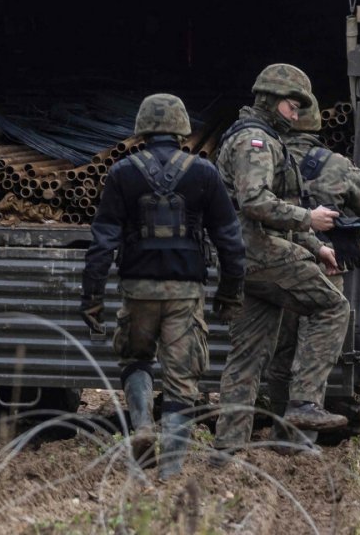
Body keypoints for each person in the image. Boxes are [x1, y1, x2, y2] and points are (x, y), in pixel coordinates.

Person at [81, 93, 245, 479]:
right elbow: (230, 239)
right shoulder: (204, 174)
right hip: (184, 294)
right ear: (181, 127)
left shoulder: (122, 173)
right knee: (181, 380)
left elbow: (102, 240)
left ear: (142, 128)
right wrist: (230, 292)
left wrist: (91, 298)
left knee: (135, 360)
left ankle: (141, 425)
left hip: (137, 290)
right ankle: (169, 471)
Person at [214, 64, 352, 456]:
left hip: (246, 259)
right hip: (261, 255)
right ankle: (304, 403)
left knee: (248, 358)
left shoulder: (260, 137)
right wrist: (308, 220)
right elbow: (255, 202)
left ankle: (228, 450)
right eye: (293, 107)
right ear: (272, 102)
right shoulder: (255, 142)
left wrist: (314, 245)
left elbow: (277, 206)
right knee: (332, 307)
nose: (297, 115)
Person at [262, 100, 360, 452]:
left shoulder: (266, 158)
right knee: (316, 347)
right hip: (325, 263)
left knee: (281, 349)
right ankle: (304, 433)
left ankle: (281, 431)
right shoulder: (334, 163)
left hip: (279, 264)